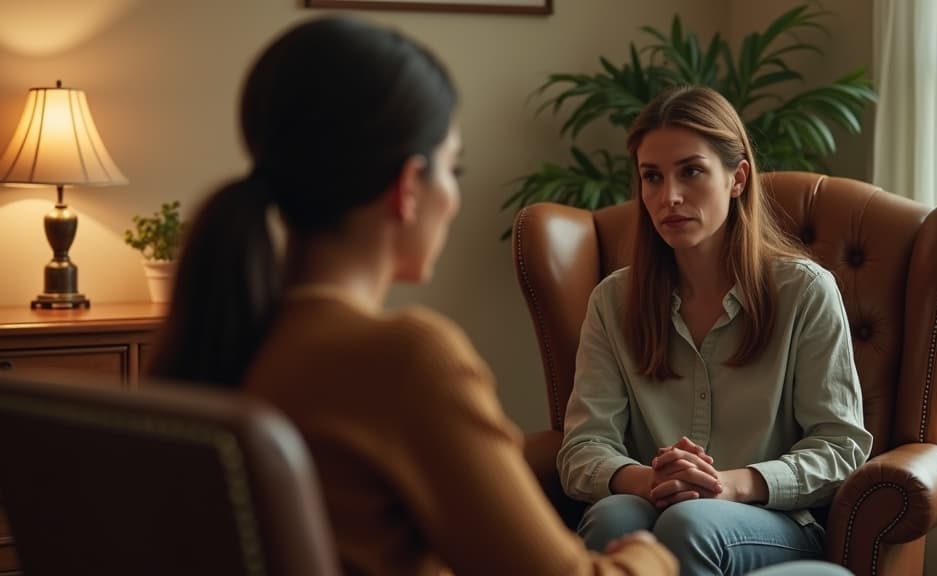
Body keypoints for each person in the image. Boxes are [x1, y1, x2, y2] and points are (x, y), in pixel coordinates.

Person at [147, 15, 679, 576]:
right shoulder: (408, 360)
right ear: (407, 189)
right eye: (453, 167)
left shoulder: (217, 338)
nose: (452, 194)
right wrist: (650, 557)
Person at [556, 85, 873, 575]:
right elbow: (582, 448)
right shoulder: (613, 301)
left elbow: (839, 447)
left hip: (774, 521)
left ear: (737, 177)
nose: (670, 197)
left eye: (692, 171)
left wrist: (730, 483)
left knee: (690, 524)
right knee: (614, 519)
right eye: (652, 178)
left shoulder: (805, 291)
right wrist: (651, 480)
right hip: (655, 503)